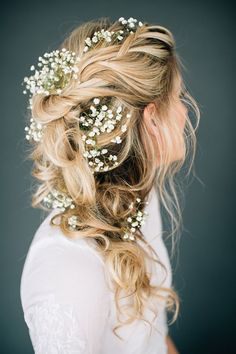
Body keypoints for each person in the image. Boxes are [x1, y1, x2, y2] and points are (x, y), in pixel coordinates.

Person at [20, 16, 200, 354]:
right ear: (151, 121)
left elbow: (154, 337)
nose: (185, 112)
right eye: (179, 97)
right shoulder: (66, 269)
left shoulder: (139, 199)